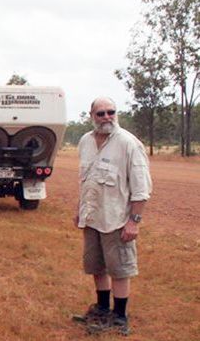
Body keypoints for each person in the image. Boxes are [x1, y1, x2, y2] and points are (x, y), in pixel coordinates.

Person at [72, 97, 152, 336]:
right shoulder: (85, 141)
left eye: (111, 112)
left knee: (120, 269)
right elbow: (86, 181)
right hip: (93, 218)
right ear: (92, 116)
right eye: (101, 113)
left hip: (117, 220)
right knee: (97, 266)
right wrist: (79, 210)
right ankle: (102, 309)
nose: (107, 117)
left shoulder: (129, 144)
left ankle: (119, 317)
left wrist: (133, 222)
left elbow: (141, 189)